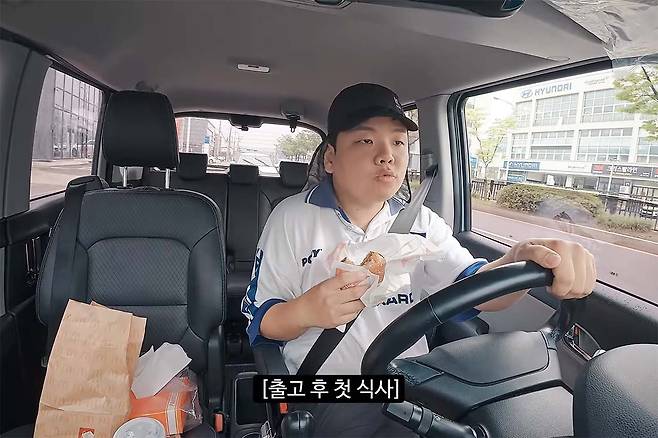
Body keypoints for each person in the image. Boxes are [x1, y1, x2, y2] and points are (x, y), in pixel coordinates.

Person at [241, 83, 596, 437]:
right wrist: (306, 311)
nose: (387, 155)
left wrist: (520, 257)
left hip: (409, 385)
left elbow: (477, 290)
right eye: (365, 140)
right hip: (326, 389)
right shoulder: (291, 218)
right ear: (330, 158)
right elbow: (262, 322)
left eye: (398, 142)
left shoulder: (422, 223)